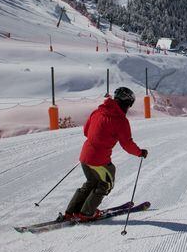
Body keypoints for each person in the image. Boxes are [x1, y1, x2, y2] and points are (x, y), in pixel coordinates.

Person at [61, 87, 148, 222]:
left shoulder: (98, 112)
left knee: (91, 183)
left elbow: (86, 131)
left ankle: (71, 212)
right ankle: (86, 213)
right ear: (127, 103)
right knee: (106, 184)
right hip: (99, 160)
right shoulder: (120, 120)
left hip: (85, 156)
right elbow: (127, 144)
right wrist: (140, 152)